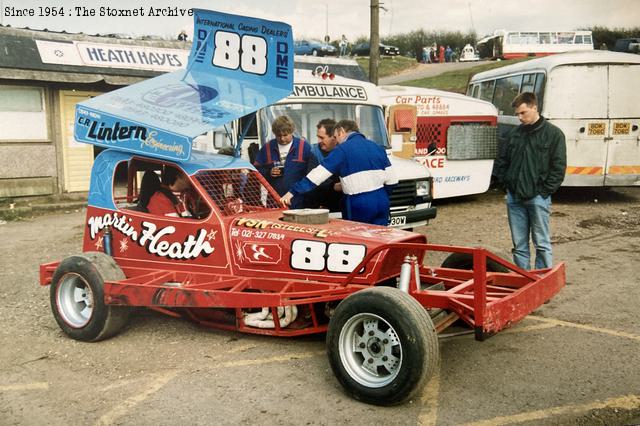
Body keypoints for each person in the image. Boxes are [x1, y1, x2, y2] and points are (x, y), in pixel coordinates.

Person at [494, 92, 566, 270]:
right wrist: (507, 185)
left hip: (537, 197)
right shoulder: (515, 134)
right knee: (519, 245)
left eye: (523, 113)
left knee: (541, 243)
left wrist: (544, 191)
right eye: (517, 114)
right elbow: (502, 161)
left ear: (534, 108)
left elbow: (558, 167)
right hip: (515, 198)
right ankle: (523, 281)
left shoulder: (554, 134)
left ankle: (542, 282)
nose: (519, 117)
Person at [281, 120, 397, 226]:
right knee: (381, 239)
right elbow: (392, 180)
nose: (336, 142)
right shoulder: (377, 147)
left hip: (359, 203)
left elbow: (317, 175)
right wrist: (380, 195)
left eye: (336, 137)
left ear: (341, 131)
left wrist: (293, 192)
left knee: (358, 241)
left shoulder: (342, 149)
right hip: (382, 201)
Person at [253, 115, 318, 209]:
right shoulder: (267, 148)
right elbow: (255, 171)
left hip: (298, 200)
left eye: (285, 135)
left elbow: (313, 173)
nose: (282, 139)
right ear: (274, 134)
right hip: (274, 200)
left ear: (292, 132)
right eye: (279, 136)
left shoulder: (303, 147)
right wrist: (269, 172)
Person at [307, 118, 342, 212]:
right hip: (317, 206)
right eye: (318, 137)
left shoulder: (344, 151)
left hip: (340, 206)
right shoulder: (312, 152)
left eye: (322, 138)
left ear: (333, 137)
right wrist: (334, 186)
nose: (318, 141)